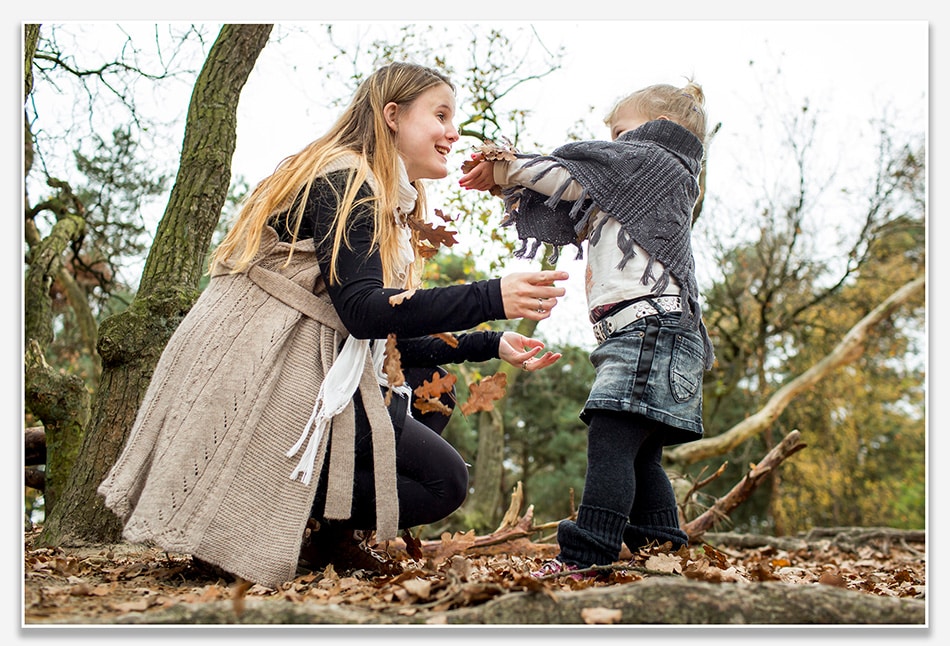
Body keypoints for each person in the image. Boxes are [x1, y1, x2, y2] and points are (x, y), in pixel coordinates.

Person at [97, 62, 569, 587]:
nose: (452, 132)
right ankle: (263, 501)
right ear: (392, 115)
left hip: (312, 363)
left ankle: (329, 538)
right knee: (445, 482)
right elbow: (364, 311)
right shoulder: (348, 178)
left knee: (432, 391)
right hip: (264, 366)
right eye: (439, 114)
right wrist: (490, 295)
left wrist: (492, 342)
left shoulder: (388, 198)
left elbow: (387, 337)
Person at [459, 80, 714, 579]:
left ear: (658, 128)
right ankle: (662, 549)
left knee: (611, 439)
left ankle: (588, 553)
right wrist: (513, 186)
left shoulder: (656, 163)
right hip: (648, 331)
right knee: (640, 455)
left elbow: (574, 179)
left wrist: (510, 166)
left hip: (649, 329)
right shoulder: (646, 182)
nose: (612, 148)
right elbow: (578, 196)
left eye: (620, 132)